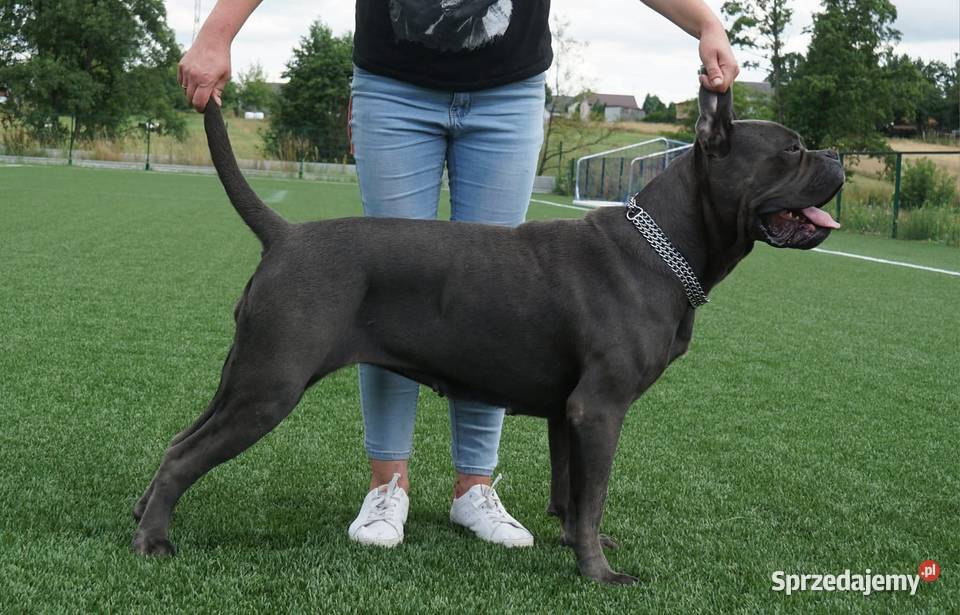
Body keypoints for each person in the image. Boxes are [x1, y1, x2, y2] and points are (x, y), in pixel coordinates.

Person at [179, 0, 739, 550]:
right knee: (381, 306)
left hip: (509, 88)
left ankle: (475, 486)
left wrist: (706, 21)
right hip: (393, 82)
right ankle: (387, 486)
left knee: (498, 301)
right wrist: (218, 29)